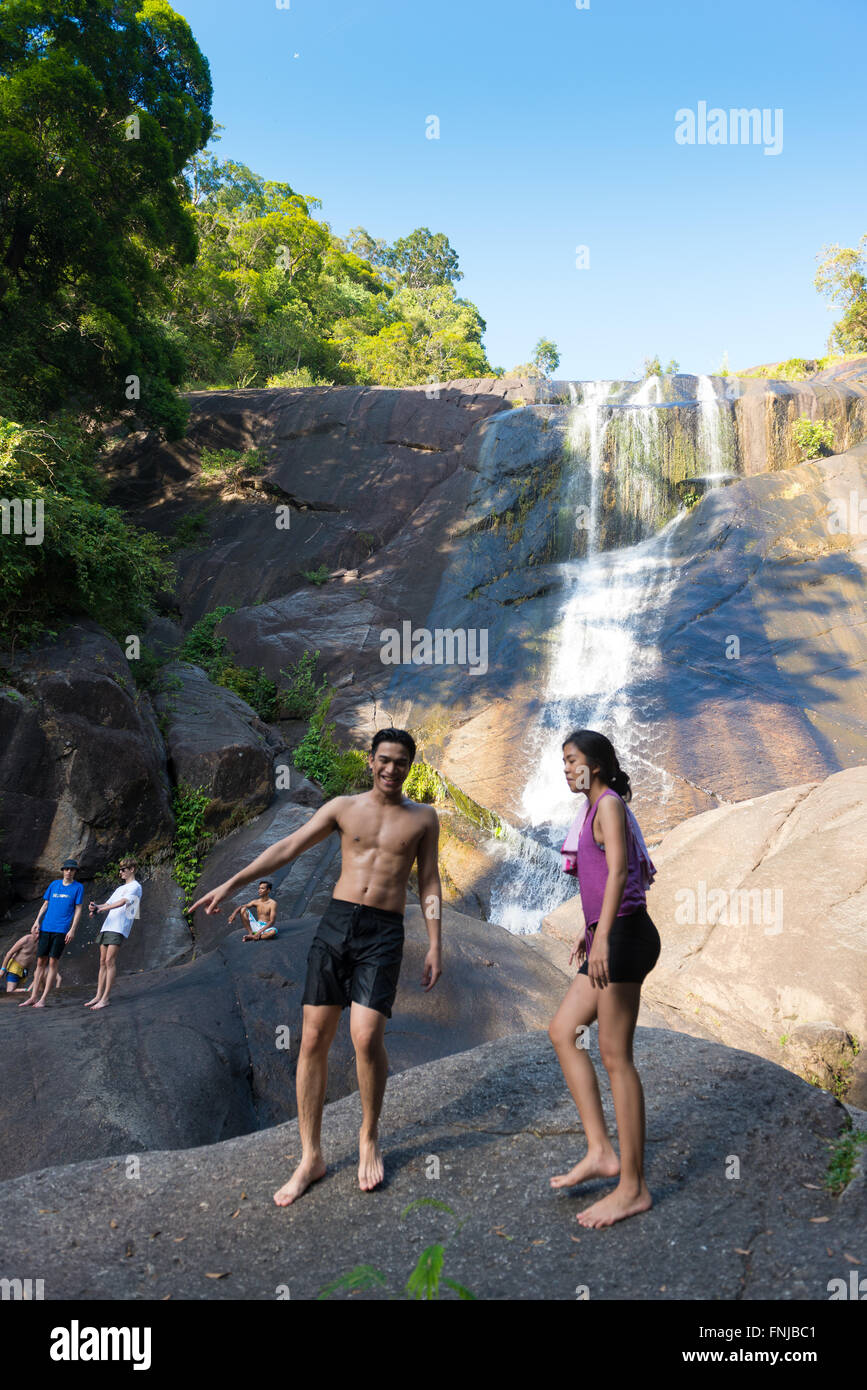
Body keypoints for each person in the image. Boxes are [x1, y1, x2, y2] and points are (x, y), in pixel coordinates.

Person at [190, 728, 442, 1203]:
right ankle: (311, 1156)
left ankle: (368, 1137)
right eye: (384, 760)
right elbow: (288, 847)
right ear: (370, 760)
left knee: (366, 1037)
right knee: (312, 1039)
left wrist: (434, 942)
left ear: (411, 766)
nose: (392, 769)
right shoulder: (343, 808)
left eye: (401, 763)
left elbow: (428, 881)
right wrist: (233, 883)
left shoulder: (423, 819)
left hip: (384, 932)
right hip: (337, 924)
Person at [547, 729, 661, 1228]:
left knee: (616, 1057)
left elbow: (618, 873)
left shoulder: (609, 805)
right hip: (607, 935)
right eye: (564, 762)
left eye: (572, 761)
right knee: (563, 1031)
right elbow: (598, 881)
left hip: (626, 939)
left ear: (595, 764)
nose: (567, 769)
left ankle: (632, 1188)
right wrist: (587, 928)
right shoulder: (593, 809)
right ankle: (601, 1150)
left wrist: (605, 937)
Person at [19, 859, 83, 1009]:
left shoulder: (78, 887)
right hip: (46, 927)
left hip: (61, 930)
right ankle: (33, 996)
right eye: (66, 869)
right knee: (40, 962)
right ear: (63, 870)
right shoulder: (54, 885)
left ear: (74, 872)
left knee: (53, 962)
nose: (69, 872)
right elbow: (46, 904)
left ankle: (43, 998)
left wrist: (72, 929)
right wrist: (36, 921)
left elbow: (79, 909)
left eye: (72, 870)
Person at [83, 860, 143, 1009]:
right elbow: (107, 904)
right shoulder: (119, 888)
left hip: (119, 927)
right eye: (120, 870)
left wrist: (102, 909)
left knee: (110, 960)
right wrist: (96, 908)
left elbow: (123, 903)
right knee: (102, 961)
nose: (121, 872)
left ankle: (105, 998)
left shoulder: (136, 886)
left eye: (123, 869)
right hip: (108, 925)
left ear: (132, 869)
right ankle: (98, 996)